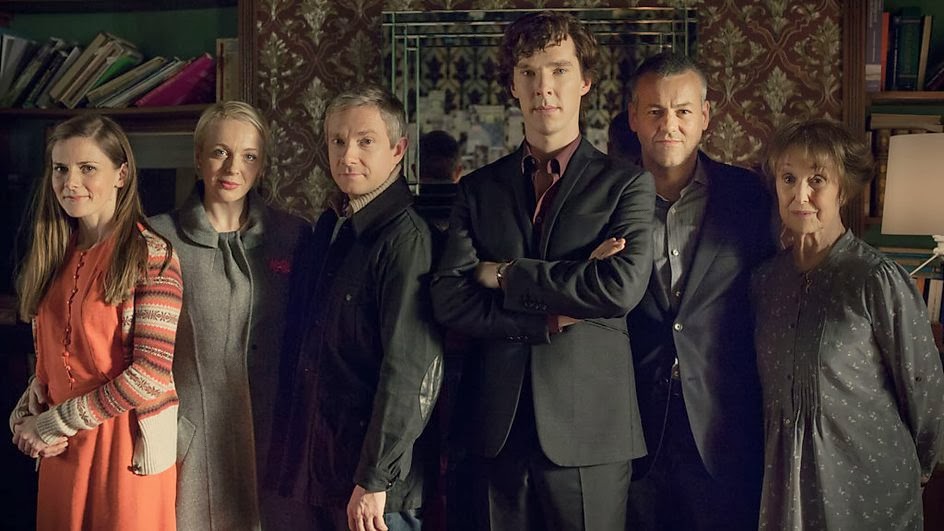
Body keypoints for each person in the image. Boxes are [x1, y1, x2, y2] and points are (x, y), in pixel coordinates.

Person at [430, 11, 654, 530]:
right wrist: (550, 317)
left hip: (591, 436)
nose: (543, 87)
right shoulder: (478, 189)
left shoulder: (626, 185)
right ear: (513, 84)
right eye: (528, 72)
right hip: (493, 431)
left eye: (558, 70)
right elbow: (450, 297)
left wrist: (505, 275)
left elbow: (618, 288)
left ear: (585, 81)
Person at [752, 118, 944, 530]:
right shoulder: (764, 282)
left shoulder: (876, 279)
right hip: (786, 486)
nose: (800, 195)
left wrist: (924, 467)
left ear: (843, 189)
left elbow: (923, 385)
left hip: (870, 483)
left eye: (817, 179)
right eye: (789, 178)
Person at [271, 85, 443, 531]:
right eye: (338, 140)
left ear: (398, 149)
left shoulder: (407, 239)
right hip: (325, 468)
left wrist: (374, 479)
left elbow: (410, 372)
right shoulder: (332, 225)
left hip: (377, 487)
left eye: (366, 141)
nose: (348, 155)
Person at [8, 114, 183, 530]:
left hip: (122, 447)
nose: (70, 183)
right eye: (61, 169)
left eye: (87, 168)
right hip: (61, 448)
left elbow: (149, 374)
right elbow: (56, 359)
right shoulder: (53, 253)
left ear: (121, 174)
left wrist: (51, 422)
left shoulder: (152, 255)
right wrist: (25, 414)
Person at [623, 51, 775, 530]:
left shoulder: (749, 197)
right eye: (655, 111)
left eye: (683, 110)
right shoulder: (605, 199)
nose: (669, 125)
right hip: (630, 430)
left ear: (705, 116)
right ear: (633, 117)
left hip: (723, 428)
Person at [148, 101, 307, 530]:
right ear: (198, 157)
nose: (233, 168)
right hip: (193, 441)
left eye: (249, 156)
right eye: (220, 152)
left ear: (262, 165)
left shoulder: (293, 235)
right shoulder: (156, 236)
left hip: (278, 438)